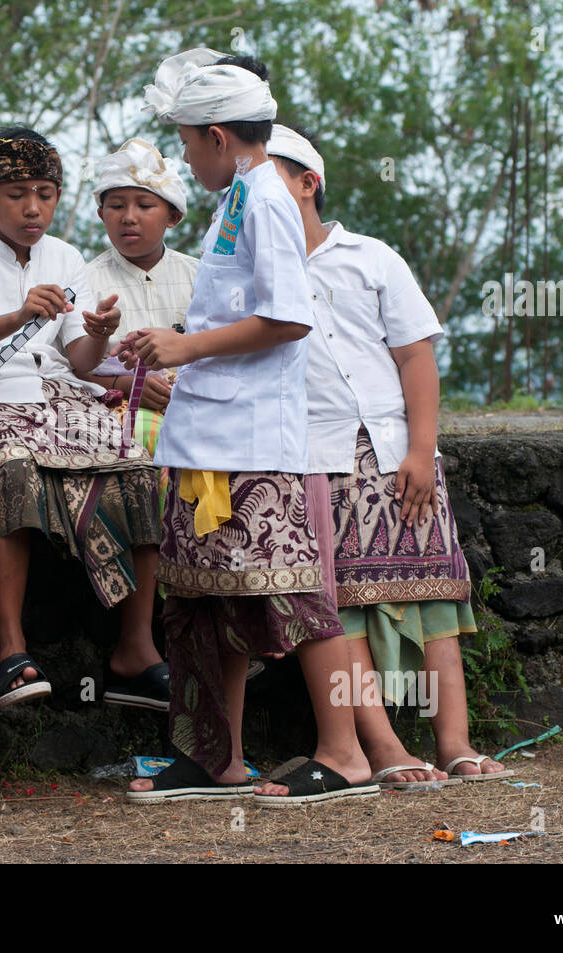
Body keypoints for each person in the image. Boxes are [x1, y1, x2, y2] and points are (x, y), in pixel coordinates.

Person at [121, 50, 378, 804]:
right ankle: (212, 756)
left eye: (189, 143)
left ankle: (347, 753)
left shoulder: (263, 197)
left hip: (254, 440)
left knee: (292, 590)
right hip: (208, 434)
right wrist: (176, 350)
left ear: (220, 137)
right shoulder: (239, 197)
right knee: (200, 598)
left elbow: (288, 317)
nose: (186, 157)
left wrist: (186, 347)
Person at [266, 123, 510, 785]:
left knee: (435, 597)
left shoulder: (372, 258)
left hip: (398, 456)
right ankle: (383, 747)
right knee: (337, 606)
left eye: (270, 182)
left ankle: (455, 740)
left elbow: (414, 355)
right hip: (315, 464)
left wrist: (422, 450)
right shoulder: (256, 279)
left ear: (308, 182)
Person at [0, 125, 167, 710]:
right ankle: (12, 646)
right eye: (16, 194)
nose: (33, 207)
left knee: (141, 468)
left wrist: (98, 334)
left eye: (45, 192)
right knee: (11, 468)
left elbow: (82, 363)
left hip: (60, 396)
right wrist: (17, 315)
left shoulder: (64, 258)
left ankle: (136, 647)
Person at [79, 137, 197, 511]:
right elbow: (67, 367)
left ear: (173, 216)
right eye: (115, 206)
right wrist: (125, 385)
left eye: (145, 205)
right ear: (101, 214)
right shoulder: (84, 282)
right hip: (113, 411)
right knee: (148, 436)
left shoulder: (201, 276)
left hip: (198, 403)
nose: (128, 217)